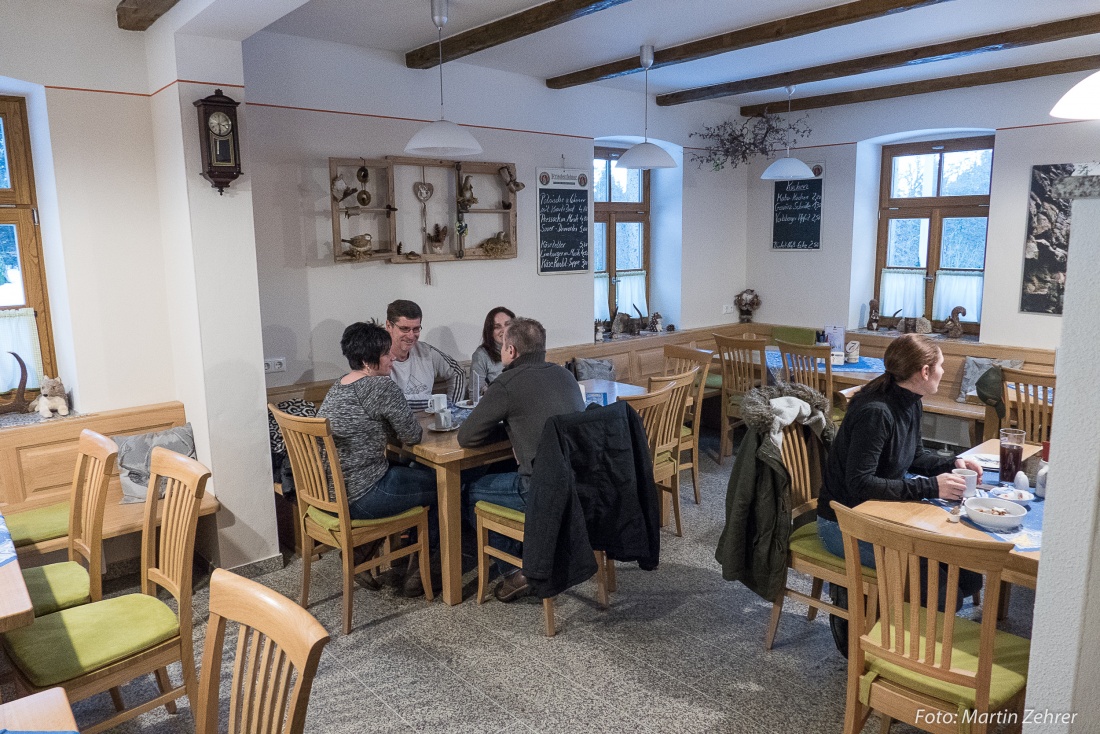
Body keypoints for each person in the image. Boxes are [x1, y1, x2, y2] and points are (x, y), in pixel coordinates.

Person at [816, 333, 985, 652]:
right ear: (924, 371)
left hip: (880, 511)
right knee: (934, 580)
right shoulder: (876, 411)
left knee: (967, 575)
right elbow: (860, 484)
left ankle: (909, 638)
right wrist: (931, 486)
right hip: (843, 522)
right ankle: (892, 649)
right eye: (941, 367)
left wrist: (953, 461)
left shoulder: (910, 401)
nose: (943, 372)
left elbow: (914, 456)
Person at [457, 316, 585, 601]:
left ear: (511, 351)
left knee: (467, 492)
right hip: (580, 484)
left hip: (539, 489)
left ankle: (517, 570)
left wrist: (504, 429)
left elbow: (466, 437)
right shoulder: (565, 375)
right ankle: (535, 554)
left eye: (503, 345)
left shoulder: (507, 383)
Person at [317, 321, 438, 597]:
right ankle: (421, 571)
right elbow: (412, 435)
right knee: (445, 485)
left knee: (412, 469)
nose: (392, 356)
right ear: (367, 361)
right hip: (361, 495)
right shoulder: (380, 387)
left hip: (330, 492)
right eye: (386, 353)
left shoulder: (339, 386)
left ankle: (362, 552)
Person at [385, 299, 465, 412]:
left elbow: (458, 372)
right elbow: (390, 402)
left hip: (430, 423)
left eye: (416, 329)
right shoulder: (377, 359)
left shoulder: (426, 351)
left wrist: (451, 408)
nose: (411, 336)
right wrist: (436, 402)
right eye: (404, 329)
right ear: (389, 326)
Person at [469, 306, 515, 398]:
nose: (504, 330)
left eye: (507, 324)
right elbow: (474, 394)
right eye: (497, 327)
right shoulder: (481, 355)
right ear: (490, 331)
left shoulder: (523, 347)